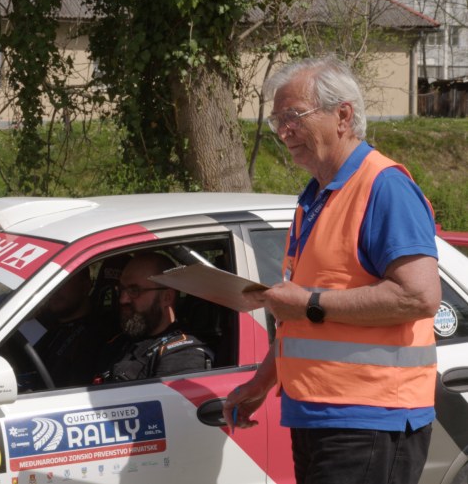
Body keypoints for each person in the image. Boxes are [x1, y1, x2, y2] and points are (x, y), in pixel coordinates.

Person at [223, 56, 441, 484]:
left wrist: (308, 303)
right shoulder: (316, 197)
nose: (283, 132)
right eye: (277, 120)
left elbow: (419, 296)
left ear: (343, 115)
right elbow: (303, 319)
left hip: (370, 417)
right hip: (319, 415)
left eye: (294, 116)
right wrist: (262, 381)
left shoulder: (384, 186)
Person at [96, 252, 213, 382]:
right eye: (121, 289)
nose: (123, 299)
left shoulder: (183, 354)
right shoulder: (119, 341)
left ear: (167, 297)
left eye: (134, 290)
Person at [33, 268, 107, 387]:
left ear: (86, 286)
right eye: (50, 282)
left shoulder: (98, 335)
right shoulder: (39, 322)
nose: (54, 289)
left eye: (63, 281)